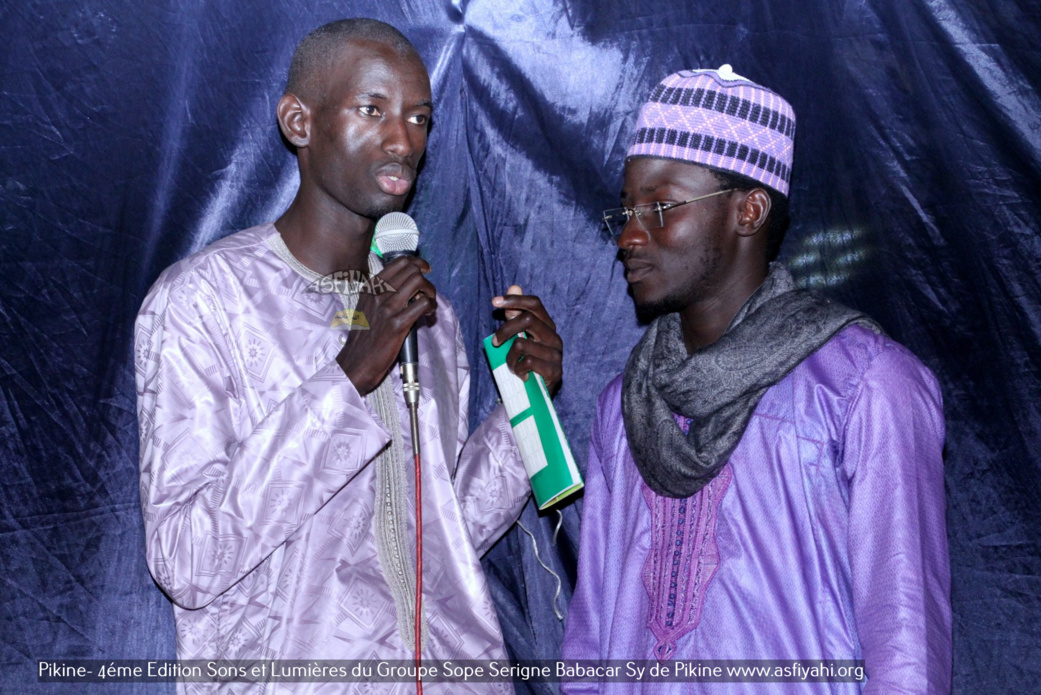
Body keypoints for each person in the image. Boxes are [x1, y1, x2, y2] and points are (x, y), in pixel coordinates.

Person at [135, 18, 563, 691]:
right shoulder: (205, 301)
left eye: (419, 118)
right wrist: (346, 379)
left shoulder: (430, 319)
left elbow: (441, 541)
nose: (403, 141)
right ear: (298, 122)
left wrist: (520, 407)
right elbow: (187, 559)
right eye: (372, 109)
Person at [561, 66, 951, 693]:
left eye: (660, 207)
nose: (629, 235)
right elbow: (590, 642)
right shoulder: (624, 405)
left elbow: (907, 645)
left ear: (749, 210)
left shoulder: (866, 387)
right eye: (627, 210)